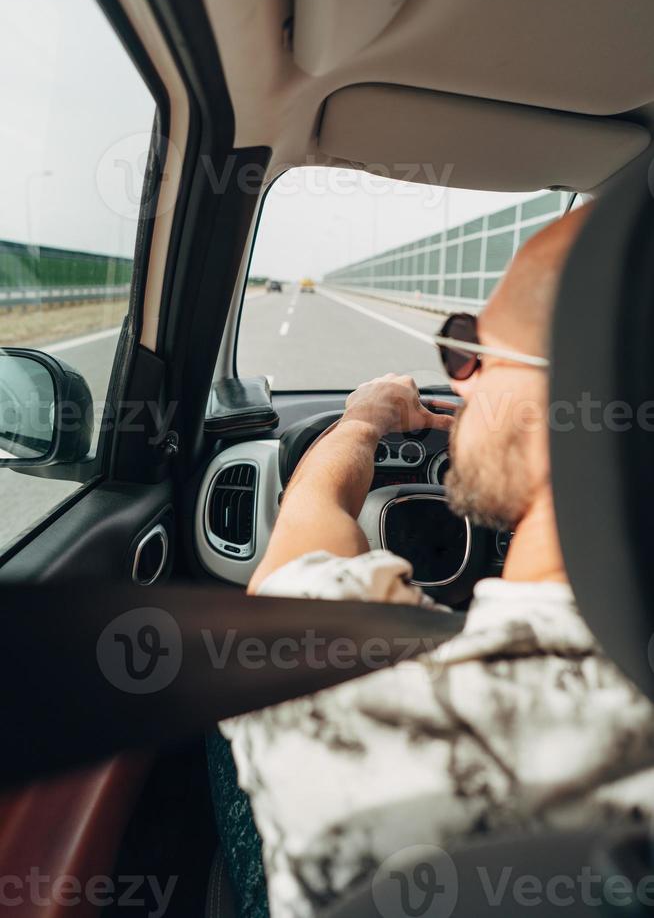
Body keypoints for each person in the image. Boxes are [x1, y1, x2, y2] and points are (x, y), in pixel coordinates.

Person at [220, 205, 654, 918]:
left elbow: (294, 554)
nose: (459, 382)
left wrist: (361, 422)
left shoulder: (377, 710)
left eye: (471, 351)